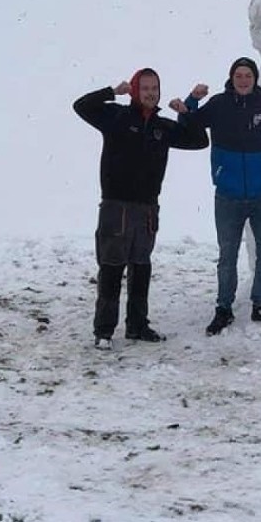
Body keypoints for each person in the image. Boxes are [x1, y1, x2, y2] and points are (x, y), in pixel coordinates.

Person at [74, 68, 208, 349]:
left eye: (154, 88)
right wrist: (112, 92)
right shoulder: (116, 117)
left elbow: (199, 141)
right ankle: (104, 331)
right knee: (111, 268)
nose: (150, 93)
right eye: (144, 87)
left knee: (141, 268)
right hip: (116, 207)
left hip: (147, 209)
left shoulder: (162, 126)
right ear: (134, 90)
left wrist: (186, 112)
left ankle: (137, 325)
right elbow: (81, 106)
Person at [175, 57, 261, 336]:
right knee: (227, 256)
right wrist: (191, 100)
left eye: (248, 75)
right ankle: (223, 308)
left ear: (255, 78)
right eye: (239, 75)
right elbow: (190, 123)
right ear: (231, 78)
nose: (243, 80)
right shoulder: (219, 104)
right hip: (228, 195)